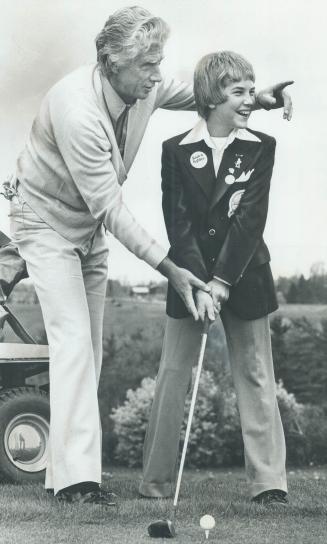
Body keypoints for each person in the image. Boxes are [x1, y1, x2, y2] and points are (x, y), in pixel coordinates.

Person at [5, 6, 292, 505]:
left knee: (89, 353)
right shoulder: (77, 111)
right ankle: (78, 482)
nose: (157, 74)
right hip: (44, 222)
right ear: (109, 63)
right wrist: (171, 269)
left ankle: (63, 472)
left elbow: (193, 94)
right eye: (146, 65)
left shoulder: (145, 85)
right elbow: (113, 209)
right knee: (71, 340)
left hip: (87, 230)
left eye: (159, 62)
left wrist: (259, 101)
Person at [139, 50, 288, 506]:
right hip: (187, 276)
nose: (249, 101)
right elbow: (177, 223)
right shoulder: (174, 151)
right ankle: (156, 484)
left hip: (245, 274)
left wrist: (222, 281)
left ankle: (269, 486)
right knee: (171, 374)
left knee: (256, 372)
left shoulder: (261, 147)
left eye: (250, 90)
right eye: (238, 92)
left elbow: (250, 219)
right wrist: (198, 284)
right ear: (210, 97)